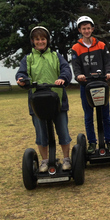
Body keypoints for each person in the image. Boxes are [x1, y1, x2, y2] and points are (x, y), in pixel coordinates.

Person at [16, 26, 73, 172]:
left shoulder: (55, 55)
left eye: (43, 39)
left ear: (47, 40)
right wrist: (21, 79)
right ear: (32, 41)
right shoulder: (28, 58)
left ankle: (67, 159)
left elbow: (66, 69)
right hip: (38, 102)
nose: (40, 42)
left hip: (57, 101)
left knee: (63, 131)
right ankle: (44, 161)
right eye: (37, 39)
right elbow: (21, 73)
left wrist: (62, 78)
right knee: (41, 134)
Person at [71, 16, 110, 154]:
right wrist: (79, 76)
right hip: (86, 86)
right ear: (80, 30)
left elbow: (108, 61)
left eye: (88, 28)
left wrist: (109, 73)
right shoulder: (76, 48)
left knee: (105, 115)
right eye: (83, 28)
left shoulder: (101, 45)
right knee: (88, 116)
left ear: (92, 29)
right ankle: (92, 143)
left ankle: (109, 141)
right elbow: (76, 65)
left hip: (101, 85)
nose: (86, 30)